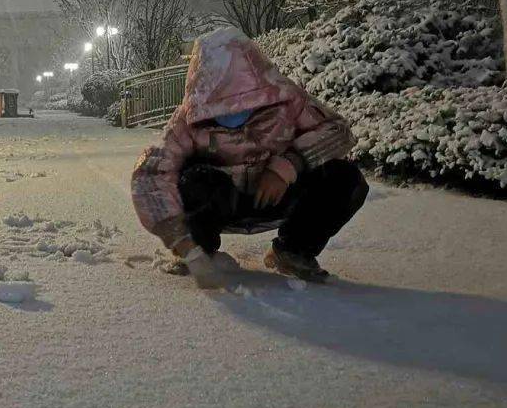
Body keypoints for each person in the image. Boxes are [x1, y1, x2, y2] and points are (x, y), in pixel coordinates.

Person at [131, 27, 369, 289]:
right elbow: (151, 175)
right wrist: (181, 240)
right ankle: (201, 249)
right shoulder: (187, 121)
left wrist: (287, 166)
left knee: (346, 178)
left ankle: (294, 250)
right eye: (220, 104)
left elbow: (336, 130)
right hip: (221, 202)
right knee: (194, 179)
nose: (232, 110)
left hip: (279, 196)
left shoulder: (287, 100)